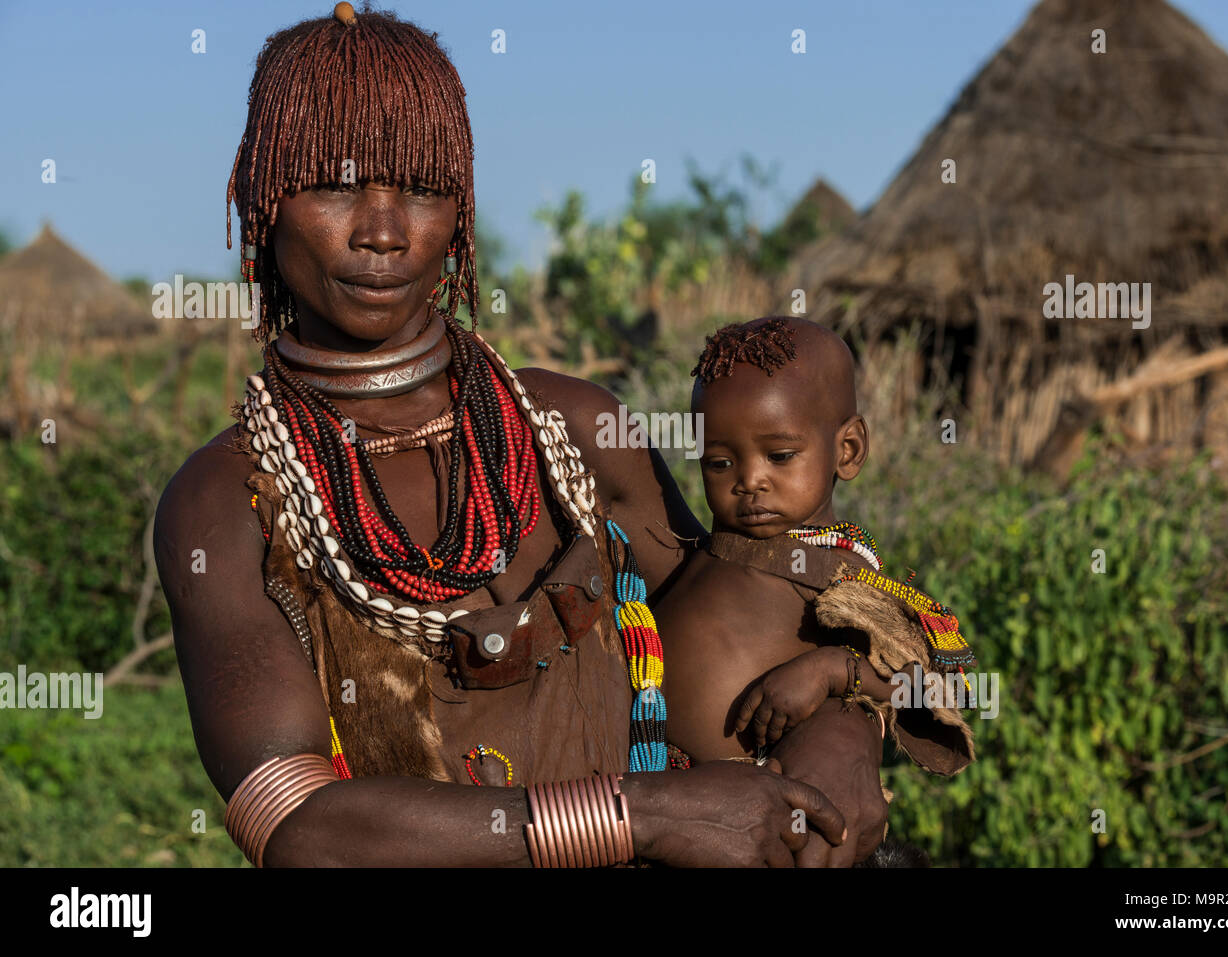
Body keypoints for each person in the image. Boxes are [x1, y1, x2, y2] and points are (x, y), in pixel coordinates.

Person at [153, 5, 884, 868]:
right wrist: (637, 816)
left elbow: (748, 614)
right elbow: (303, 830)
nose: (383, 231)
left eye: (421, 190)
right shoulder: (227, 504)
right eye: (337, 185)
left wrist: (847, 722)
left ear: (460, 211)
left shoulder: (575, 427)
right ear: (263, 200)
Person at [656, 317, 978, 863]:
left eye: (780, 456)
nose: (749, 480)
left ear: (848, 450)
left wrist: (833, 671)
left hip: (752, 825)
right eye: (719, 462)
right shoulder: (699, 549)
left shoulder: (847, 577)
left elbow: (942, 691)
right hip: (654, 795)